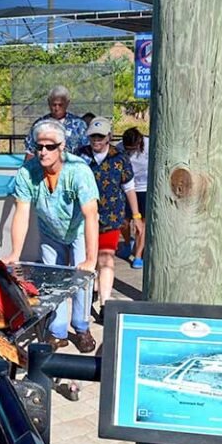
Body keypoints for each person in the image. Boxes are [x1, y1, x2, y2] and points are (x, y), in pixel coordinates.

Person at [4, 119, 99, 353]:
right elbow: (22, 213)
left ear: (62, 146)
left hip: (77, 229)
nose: (43, 151)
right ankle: (57, 331)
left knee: (81, 279)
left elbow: (91, 215)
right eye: (39, 146)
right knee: (52, 281)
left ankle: (81, 327)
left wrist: (90, 258)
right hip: (50, 231)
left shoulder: (78, 171)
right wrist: (15, 253)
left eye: (50, 146)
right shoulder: (28, 172)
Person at [77, 117, 143, 311]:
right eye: (93, 136)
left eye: (100, 136)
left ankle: (105, 303)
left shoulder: (119, 158)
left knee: (106, 258)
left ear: (109, 136)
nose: (96, 140)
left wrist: (137, 217)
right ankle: (89, 293)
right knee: (89, 257)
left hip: (111, 216)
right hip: (84, 217)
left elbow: (129, 188)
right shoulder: (80, 156)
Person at [24, 85, 88, 161]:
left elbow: (87, 152)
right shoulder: (39, 125)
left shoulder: (79, 125)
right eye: (54, 105)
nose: (57, 108)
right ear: (48, 103)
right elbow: (30, 152)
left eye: (60, 105)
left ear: (67, 103)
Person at [117, 127, 149, 269]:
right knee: (124, 221)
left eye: (133, 149)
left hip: (145, 187)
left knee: (141, 224)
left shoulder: (149, 144)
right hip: (126, 188)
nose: (130, 152)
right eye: (127, 149)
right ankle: (127, 242)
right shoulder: (118, 147)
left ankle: (138, 255)